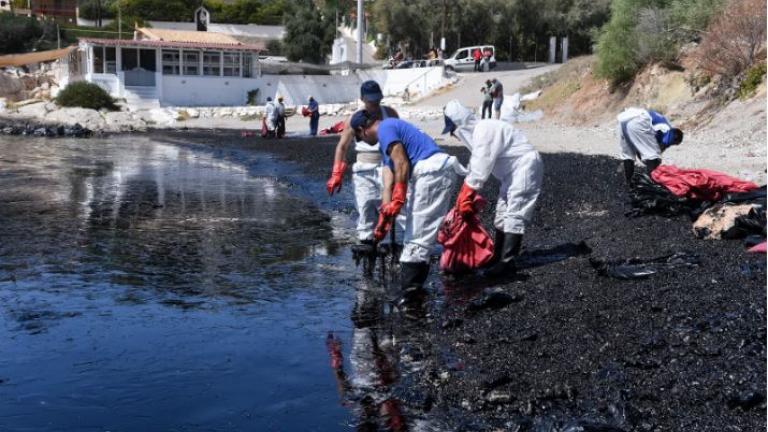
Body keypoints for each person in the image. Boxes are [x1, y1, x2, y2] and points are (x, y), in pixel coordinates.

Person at [350, 111, 461, 299]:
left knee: (417, 237)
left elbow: (401, 163)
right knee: (415, 234)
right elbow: (388, 181)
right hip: (431, 174)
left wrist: (399, 198)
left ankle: (410, 295)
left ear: (362, 129)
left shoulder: (386, 128)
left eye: (359, 137)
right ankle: (413, 288)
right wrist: (384, 219)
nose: (362, 141)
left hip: (432, 172)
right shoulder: (386, 140)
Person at [442, 99, 543, 277]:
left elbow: (481, 166)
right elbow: (475, 164)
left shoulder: (485, 130)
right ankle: (497, 256)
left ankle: (507, 262)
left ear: (460, 125)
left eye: (453, 130)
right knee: (502, 214)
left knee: (515, 213)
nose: (453, 136)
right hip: (511, 173)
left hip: (525, 167)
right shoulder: (480, 133)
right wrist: (465, 192)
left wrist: (467, 192)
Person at [326, 80, 400, 250]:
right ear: (362, 99)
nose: (374, 104)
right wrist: (336, 173)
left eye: (377, 100)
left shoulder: (390, 113)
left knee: (387, 208)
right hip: (363, 169)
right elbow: (342, 147)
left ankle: (386, 244)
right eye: (370, 101)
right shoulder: (354, 119)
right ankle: (366, 246)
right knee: (365, 206)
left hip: (386, 166)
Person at [617, 107, 684, 186]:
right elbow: (660, 148)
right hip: (638, 121)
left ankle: (628, 183)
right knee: (653, 157)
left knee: (629, 156)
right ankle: (652, 183)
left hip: (624, 121)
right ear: (675, 138)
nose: (671, 145)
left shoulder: (661, 126)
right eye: (674, 143)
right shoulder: (669, 131)